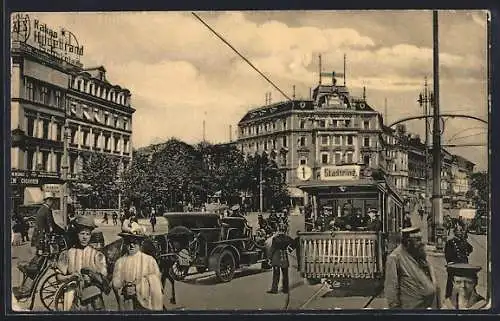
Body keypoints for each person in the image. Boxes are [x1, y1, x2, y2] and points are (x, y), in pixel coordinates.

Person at [55, 216, 109, 311]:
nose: (84, 237)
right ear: (77, 234)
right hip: (71, 295)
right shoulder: (67, 253)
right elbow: (59, 278)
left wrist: (92, 275)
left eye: (87, 234)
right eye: (82, 233)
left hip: (92, 296)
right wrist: (70, 277)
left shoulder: (96, 255)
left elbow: (104, 280)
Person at [15, 192, 62, 298]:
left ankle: (28, 283)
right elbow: (51, 227)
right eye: (51, 200)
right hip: (43, 241)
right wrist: (62, 232)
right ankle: (29, 281)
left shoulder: (41, 210)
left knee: (38, 262)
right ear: (47, 201)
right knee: (40, 263)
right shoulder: (47, 210)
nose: (52, 202)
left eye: (52, 200)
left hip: (38, 240)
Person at [384, 226, 440, 309]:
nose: (421, 243)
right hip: (411, 308)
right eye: (417, 240)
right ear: (408, 242)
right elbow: (391, 287)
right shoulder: (395, 257)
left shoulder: (417, 253)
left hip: (426, 306)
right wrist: (395, 310)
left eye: (420, 239)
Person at [112, 225, 163, 311]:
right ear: (125, 243)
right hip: (127, 304)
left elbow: (157, 283)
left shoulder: (149, 261)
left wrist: (138, 288)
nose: (131, 245)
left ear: (140, 243)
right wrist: (124, 288)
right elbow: (116, 284)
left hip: (145, 306)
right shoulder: (120, 262)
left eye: (134, 242)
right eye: (128, 242)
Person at [267, 222, 298, 294]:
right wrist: (290, 249)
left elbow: (272, 249)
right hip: (284, 257)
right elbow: (295, 243)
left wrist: (269, 258)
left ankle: (274, 289)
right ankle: (285, 289)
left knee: (276, 275)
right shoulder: (287, 238)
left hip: (276, 257)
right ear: (285, 230)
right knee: (285, 275)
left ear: (278, 230)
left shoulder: (275, 238)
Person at [444, 221, 473, 298]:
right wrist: (450, 263)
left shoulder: (463, 241)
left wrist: (465, 242)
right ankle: (449, 297)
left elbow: (470, 249)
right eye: (458, 231)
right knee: (452, 283)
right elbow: (447, 254)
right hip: (454, 265)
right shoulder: (450, 242)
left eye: (461, 230)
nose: (460, 232)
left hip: (463, 265)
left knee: (465, 282)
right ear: (454, 232)